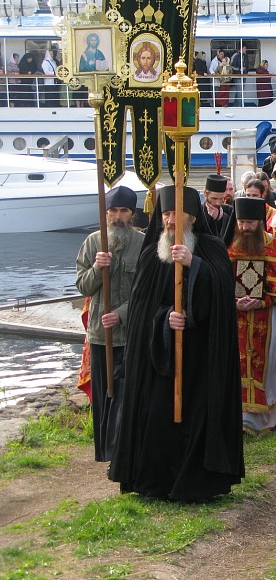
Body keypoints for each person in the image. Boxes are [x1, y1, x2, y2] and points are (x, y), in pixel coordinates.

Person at [108, 185, 244, 501]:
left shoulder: (211, 248)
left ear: (192, 217)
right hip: (159, 358)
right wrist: (165, 317)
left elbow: (223, 295)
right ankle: (155, 483)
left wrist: (194, 264)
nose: (170, 221)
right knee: (157, 415)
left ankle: (197, 484)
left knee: (198, 416)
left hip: (200, 356)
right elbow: (140, 311)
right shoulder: (152, 254)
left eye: (177, 214)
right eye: (166, 214)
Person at [75, 186, 145, 462]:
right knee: (104, 394)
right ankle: (105, 450)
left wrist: (122, 314)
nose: (117, 216)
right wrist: (97, 268)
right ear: (105, 213)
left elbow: (145, 291)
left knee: (127, 393)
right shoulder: (93, 242)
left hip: (130, 332)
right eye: (112, 211)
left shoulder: (143, 244)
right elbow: (83, 286)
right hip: (100, 334)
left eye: (123, 211)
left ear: (131, 213)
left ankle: (125, 451)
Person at [228, 197, 276, 434]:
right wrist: (234, 301)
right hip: (236, 317)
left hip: (269, 317)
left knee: (271, 363)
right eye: (241, 222)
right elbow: (220, 280)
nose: (245, 227)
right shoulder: (229, 246)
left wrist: (263, 300)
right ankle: (239, 417)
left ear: (260, 222)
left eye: (250, 223)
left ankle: (266, 420)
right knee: (237, 363)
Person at [203, 174, 235, 245]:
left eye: (221, 199)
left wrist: (221, 217)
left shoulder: (229, 210)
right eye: (214, 198)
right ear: (205, 193)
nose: (217, 203)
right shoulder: (198, 210)